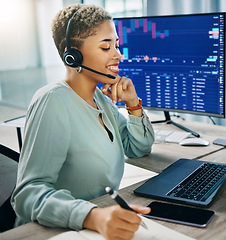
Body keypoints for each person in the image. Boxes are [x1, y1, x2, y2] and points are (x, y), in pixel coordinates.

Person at [11, 4, 154, 240]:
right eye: (106, 46)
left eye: (116, 45)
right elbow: (27, 194)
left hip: (94, 224)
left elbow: (138, 148)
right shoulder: (52, 102)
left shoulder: (100, 98)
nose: (118, 54)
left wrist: (133, 104)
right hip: (53, 231)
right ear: (73, 55)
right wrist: (93, 216)